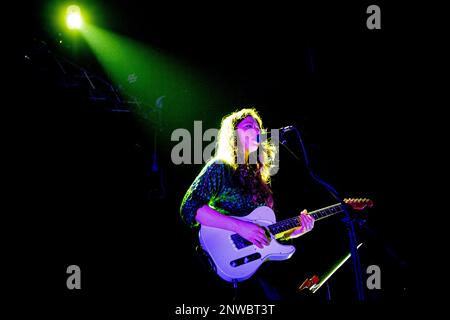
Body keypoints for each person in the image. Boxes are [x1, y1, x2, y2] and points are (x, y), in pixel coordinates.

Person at [180, 108, 315, 301]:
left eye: (258, 127)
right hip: (220, 265)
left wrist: (294, 232)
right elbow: (189, 208)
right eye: (249, 126)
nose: (257, 130)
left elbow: (264, 234)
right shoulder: (220, 168)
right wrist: (240, 227)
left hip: (254, 269)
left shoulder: (259, 179)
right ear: (233, 136)